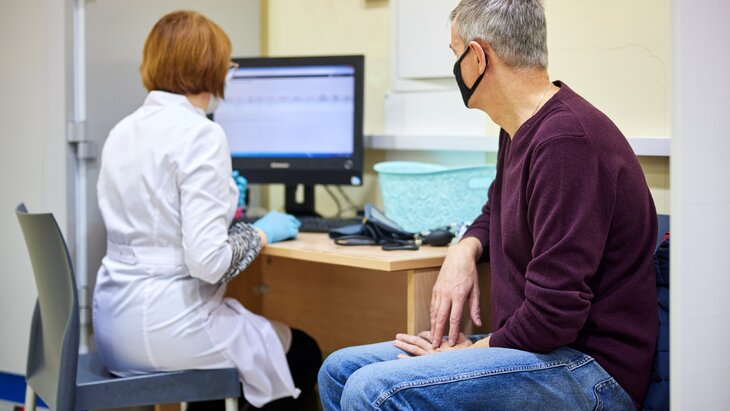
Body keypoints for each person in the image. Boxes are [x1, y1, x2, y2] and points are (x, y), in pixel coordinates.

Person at [318, 0, 658, 409]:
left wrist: (467, 353)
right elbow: (495, 209)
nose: (456, 66)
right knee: (338, 370)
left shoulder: (567, 143)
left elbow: (554, 315)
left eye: (455, 53)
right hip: (532, 347)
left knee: (372, 390)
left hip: (589, 367)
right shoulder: (519, 127)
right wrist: (464, 248)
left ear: (478, 57)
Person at [92, 11, 321, 410]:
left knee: (236, 355)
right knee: (303, 353)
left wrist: (228, 210)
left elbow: (159, 219)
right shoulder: (201, 133)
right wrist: (261, 232)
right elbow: (208, 263)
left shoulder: (123, 130)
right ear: (212, 67)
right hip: (170, 327)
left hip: (114, 327)